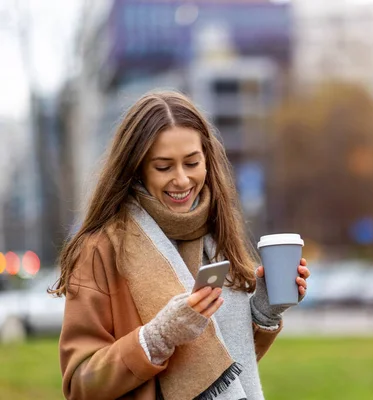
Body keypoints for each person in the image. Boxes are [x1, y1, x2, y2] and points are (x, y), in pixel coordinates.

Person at [50, 91, 310, 400]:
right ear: (137, 169)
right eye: (163, 167)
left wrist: (264, 311)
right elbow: (80, 384)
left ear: (207, 161)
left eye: (192, 163)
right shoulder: (100, 249)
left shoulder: (217, 233)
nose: (182, 180)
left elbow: (222, 368)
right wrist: (157, 337)